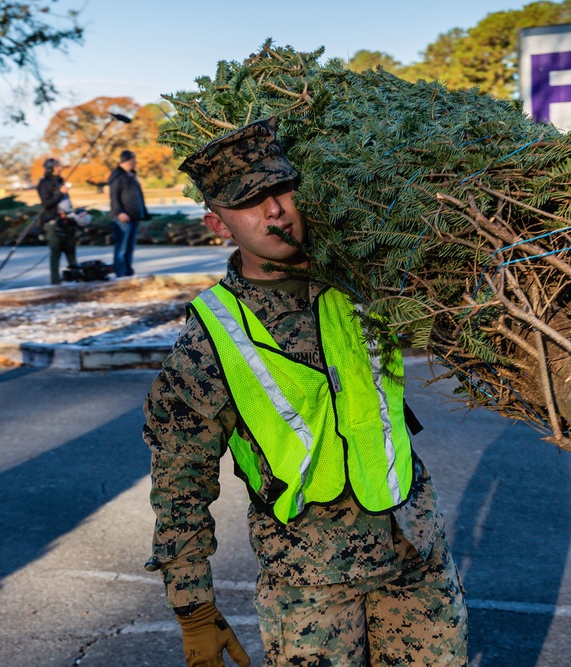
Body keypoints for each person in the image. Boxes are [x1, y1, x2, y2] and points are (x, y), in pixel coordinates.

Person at [143, 118, 467, 667]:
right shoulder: (209, 341)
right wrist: (193, 609)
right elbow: (180, 486)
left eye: (281, 189)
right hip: (310, 585)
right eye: (250, 201)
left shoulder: (365, 281)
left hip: (416, 552)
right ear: (217, 223)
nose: (274, 209)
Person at [107, 149, 149, 277]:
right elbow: (114, 197)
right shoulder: (117, 176)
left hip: (134, 216)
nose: (135, 162)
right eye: (133, 159)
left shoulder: (131, 175)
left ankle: (128, 270)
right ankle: (120, 272)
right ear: (127, 160)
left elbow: (138, 196)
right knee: (122, 247)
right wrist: (119, 212)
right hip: (122, 217)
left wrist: (144, 212)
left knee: (130, 247)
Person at [37, 157, 77, 285]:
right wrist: (60, 193)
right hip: (53, 222)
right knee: (56, 251)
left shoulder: (61, 181)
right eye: (57, 166)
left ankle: (76, 276)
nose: (60, 169)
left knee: (70, 250)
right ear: (50, 168)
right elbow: (46, 203)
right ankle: (55, 281)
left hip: (67, 221)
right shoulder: (44, 184)